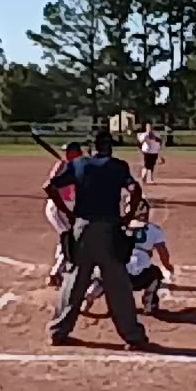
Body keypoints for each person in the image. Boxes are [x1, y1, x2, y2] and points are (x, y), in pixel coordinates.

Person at [44, 129, 151, 350]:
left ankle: (58, 331)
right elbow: (135, 190)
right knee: (118, 284)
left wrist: (68, 212)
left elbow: (49, 186)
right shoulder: (118, 166)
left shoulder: (79, 164)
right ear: (110, 147)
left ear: (92, 147)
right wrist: (128, 216)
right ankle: (133, 336)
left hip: (82, 228)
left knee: (75, 281)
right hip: (109, 230)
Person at [84, 198, 175, 315]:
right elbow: (163, 252)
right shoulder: (154, 230)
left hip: (115, 275)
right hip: (136, 279)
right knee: (156, 274)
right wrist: (167, 266)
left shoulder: (116, 227)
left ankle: (92, 292)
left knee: (103, 273)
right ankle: (149, 303)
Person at [44, 142, 84, 287]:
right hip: (58, 207)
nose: (65, 154)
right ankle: (56, 273)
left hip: (67, 207)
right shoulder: (62, 165)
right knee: (69, 239)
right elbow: (50, 185)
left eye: (68, 151)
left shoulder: (78, 166)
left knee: (68, 239)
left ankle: (60, 268)